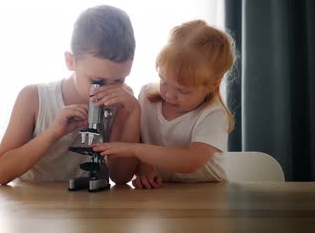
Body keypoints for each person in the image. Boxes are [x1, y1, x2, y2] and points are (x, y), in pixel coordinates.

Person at [0, 5, 140, 185]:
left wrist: (134, 113)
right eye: (97, 81)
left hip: (89, 208)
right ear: (70, 62)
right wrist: (54, 133)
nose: (107, 91)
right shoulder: (33, 98)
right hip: (32, 206)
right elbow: (1, 173)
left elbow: (120, 177)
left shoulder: (123, 101)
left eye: (119, 80)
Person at [92, 20, 236, 188]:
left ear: (213, 84)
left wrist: (135, 150)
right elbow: (140, 148)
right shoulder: (146, 97)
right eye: (163, 81)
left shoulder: (213, 114)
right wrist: (144, 167)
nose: (168, 94)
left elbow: (191, 161)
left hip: (207, 195)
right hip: (162, 196)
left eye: (182, 91)